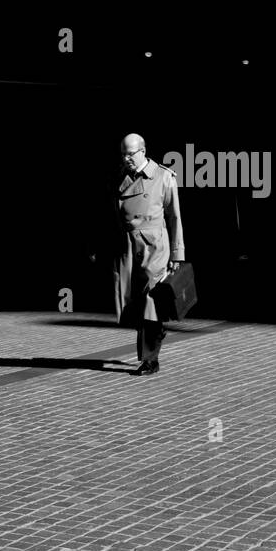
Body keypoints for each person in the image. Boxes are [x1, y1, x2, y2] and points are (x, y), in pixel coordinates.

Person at [113, 133, 184, 375]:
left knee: (150, 302)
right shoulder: (119, 176)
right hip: (128, 247)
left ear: (143, 151)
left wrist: (177, 253)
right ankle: (156, 332)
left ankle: (150, 359)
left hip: (154, 247)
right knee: (131, 302)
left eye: (130, 154)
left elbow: (175, 217)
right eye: (123, 154)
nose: (126, 158)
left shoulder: (163, 176)